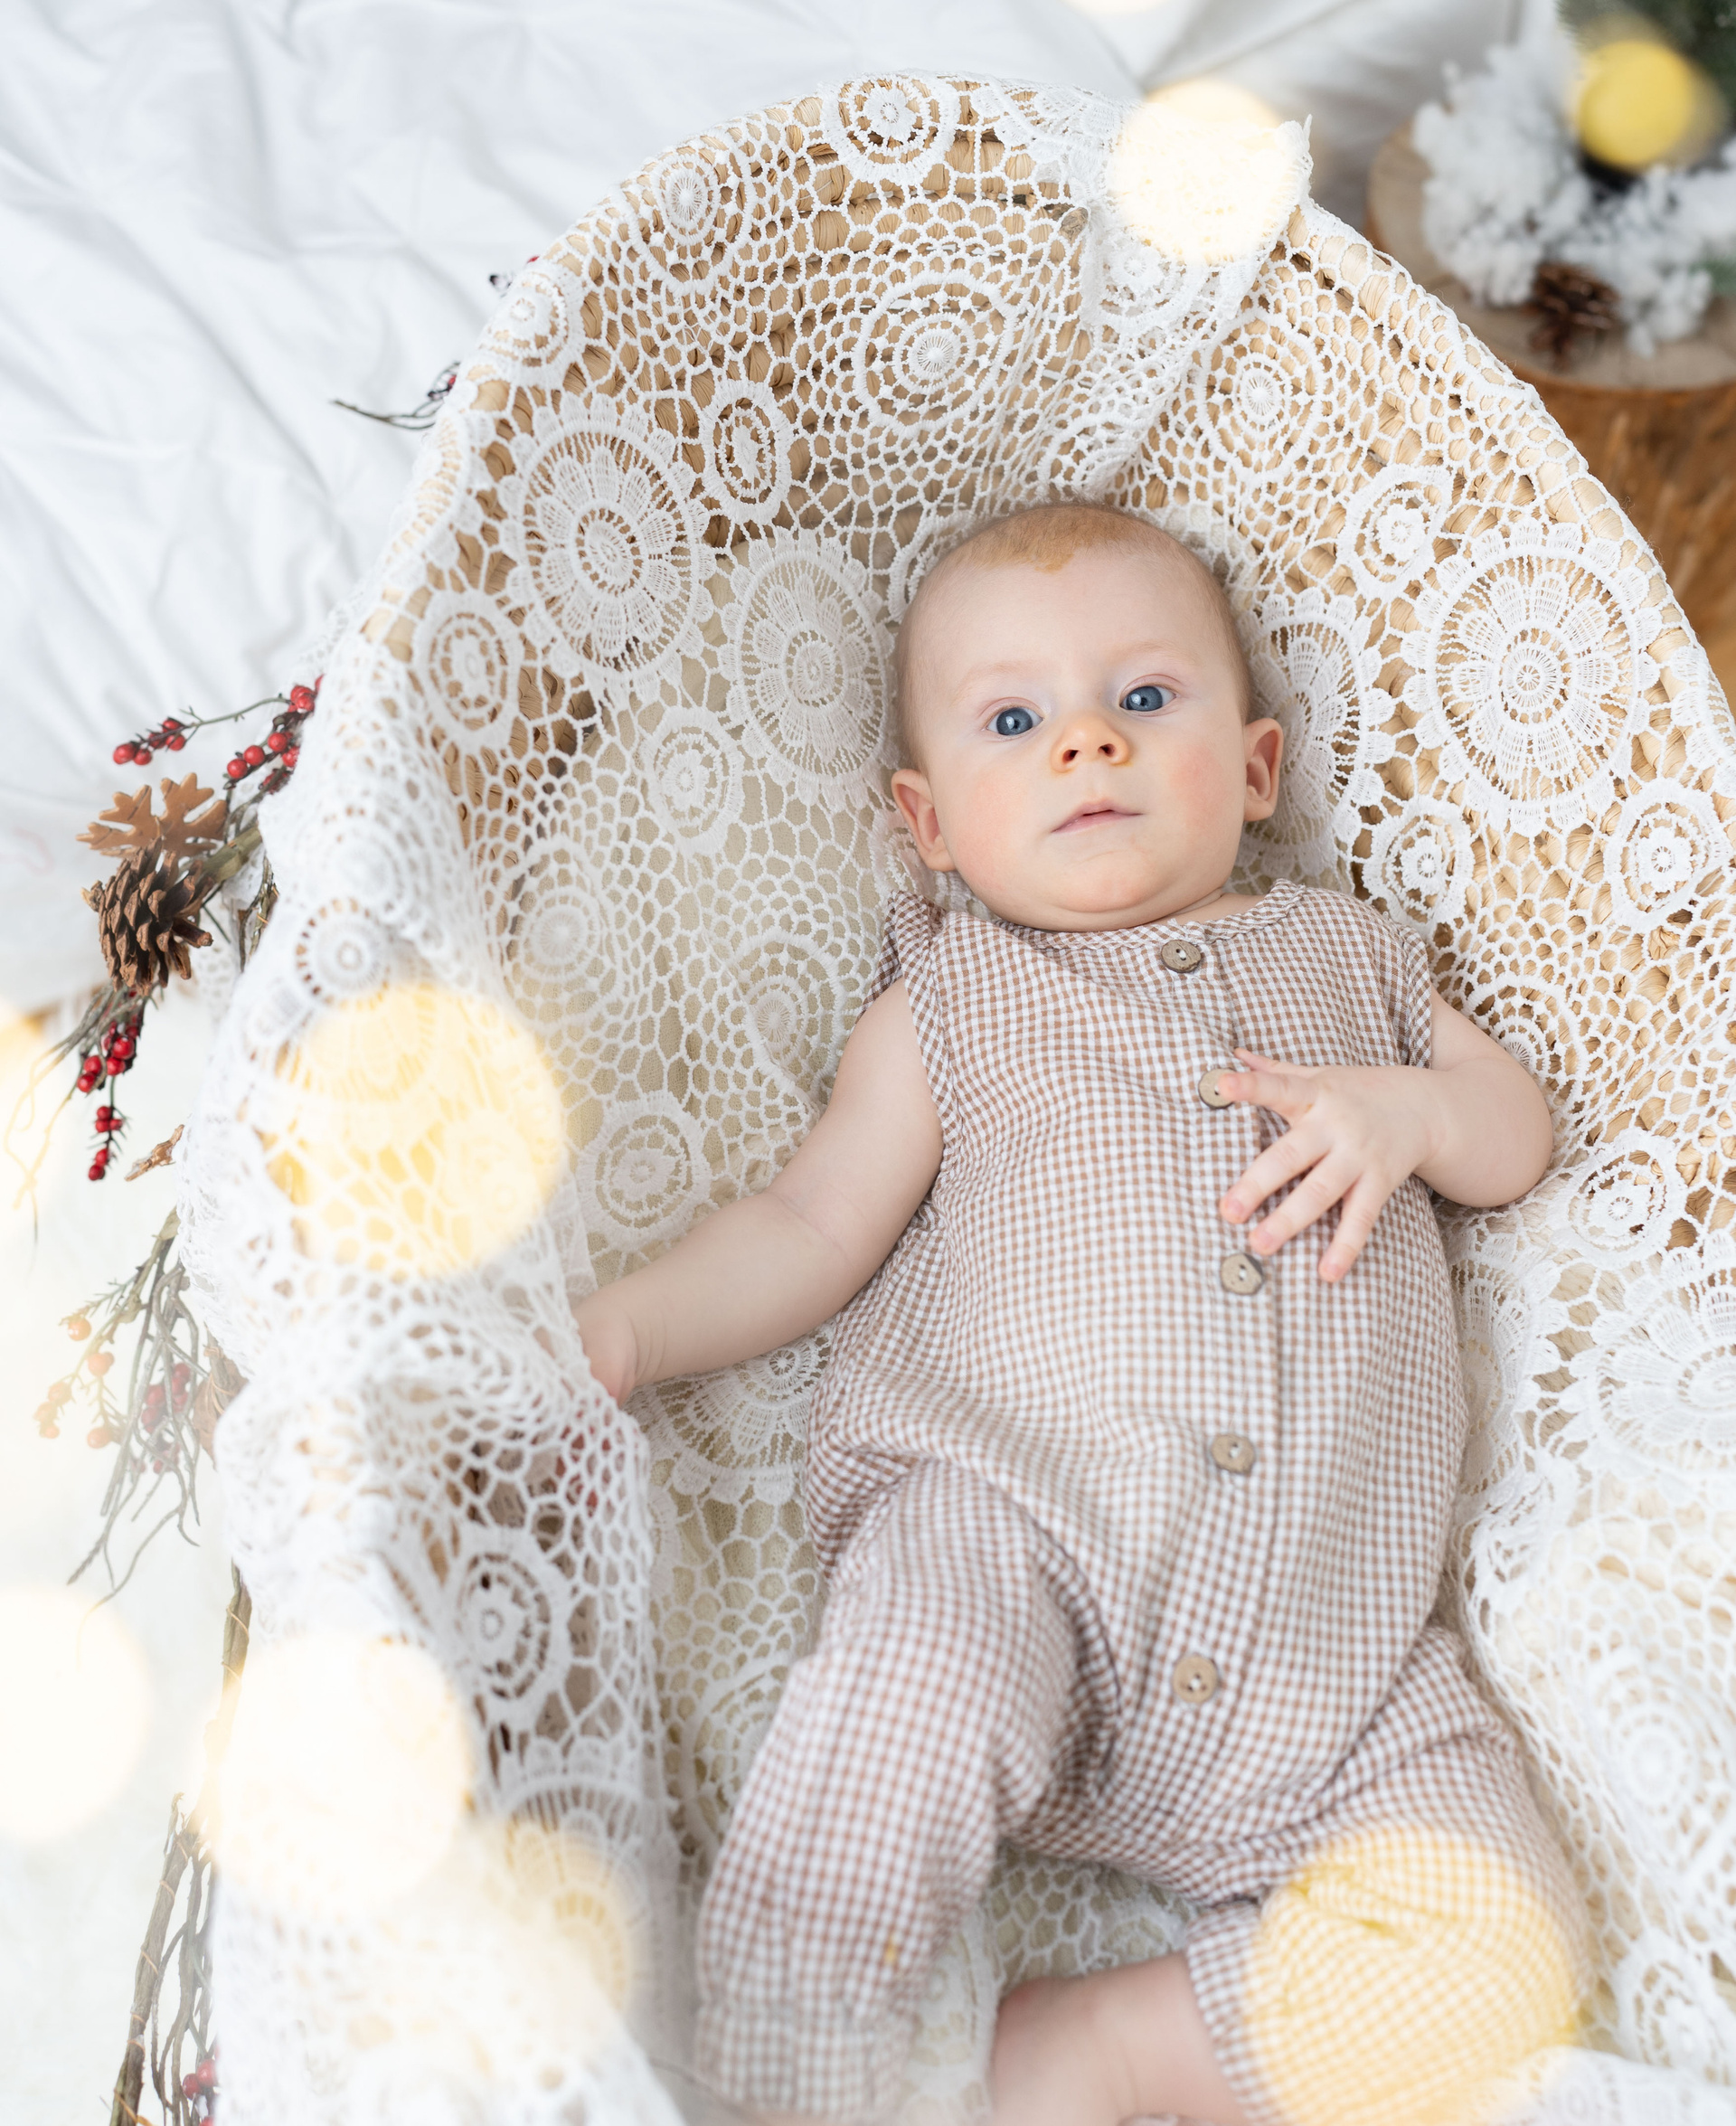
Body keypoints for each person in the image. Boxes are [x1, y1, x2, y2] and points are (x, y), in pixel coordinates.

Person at [576, 502, 1585, 2126]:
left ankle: (1111, 2046)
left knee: (1503, 1946)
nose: (1087, 743)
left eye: (1146, 698)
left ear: (1254, 769)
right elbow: (809, 1223)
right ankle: (782, 2075)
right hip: (1022, 1544)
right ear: (928, 823)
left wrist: (1408, 1114)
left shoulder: (1357, 960)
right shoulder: (952, 1003)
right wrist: (633, 1329)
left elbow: (1512, 1133)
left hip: (1334, 1662)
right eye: (1013, 721)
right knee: (905, 1703)